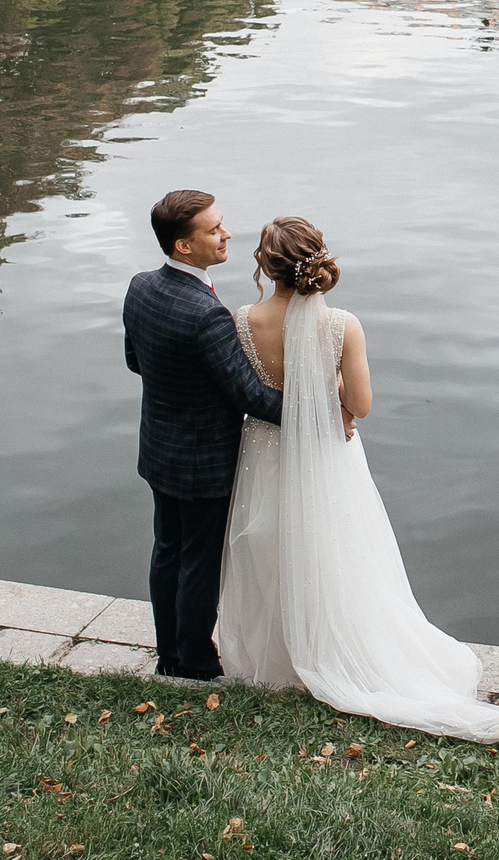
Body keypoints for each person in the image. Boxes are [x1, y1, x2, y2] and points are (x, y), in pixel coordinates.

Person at [214, 217, 499, 744]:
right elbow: (360, 405)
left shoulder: (240, 321)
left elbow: (248, 391)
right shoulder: (343, 325)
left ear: (264, 265)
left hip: (263, 450)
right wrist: (333, 385)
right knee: (335, 548)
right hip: (327, 454)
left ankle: (273, 658)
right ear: (318, 262)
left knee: (267, 542)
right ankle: (333, 647)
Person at [124, 190, 285, 681]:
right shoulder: (207, 315)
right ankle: (192, 662)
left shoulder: (141, 287)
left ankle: (169, 653)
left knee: (167, 550)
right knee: (199, 562)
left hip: (158, 447)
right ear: (183, 246)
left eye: (222, 223)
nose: (226, 233)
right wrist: (320, 409)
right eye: (213, 230)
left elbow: (136, 361)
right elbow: (251, 398)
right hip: (204, 461)